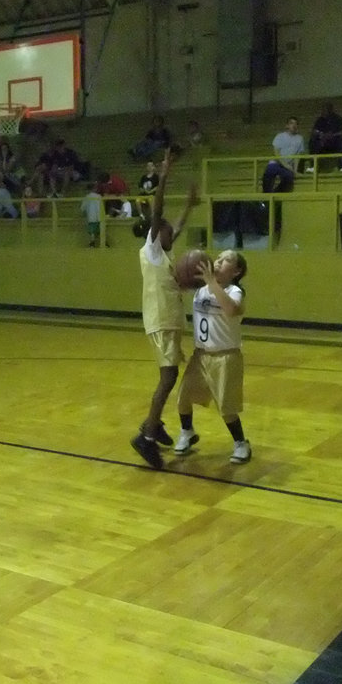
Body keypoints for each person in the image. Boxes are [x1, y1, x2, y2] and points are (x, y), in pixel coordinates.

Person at [130, 154, 200, 469]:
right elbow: (158, 212)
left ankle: (153, 425)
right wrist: (164, 177)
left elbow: (178, 225)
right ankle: (146, 434)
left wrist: (189, 206)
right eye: (168, 231)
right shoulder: (152, 249)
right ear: (158, 233)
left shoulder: (166, 256)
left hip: (169, 322)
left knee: (169, 376)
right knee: (168, 377)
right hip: (159, 322)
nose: (173, 235)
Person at [173, 250, 251, 463]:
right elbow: (175, 285)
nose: (218, 262)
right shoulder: (201, 289)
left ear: (236, 271)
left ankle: (241, 443)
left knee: (227, 408)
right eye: (217, 258)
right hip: (201, 356)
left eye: (226, 260)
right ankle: (187, 432)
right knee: (183, 398)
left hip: (226, 357)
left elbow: (231, 309)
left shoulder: (235, 291)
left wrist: (211, 282)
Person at [261, 117, 305, 193]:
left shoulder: (300, 139)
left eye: (296, 123)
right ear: (287, 126)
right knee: (269, 172)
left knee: (289, 177)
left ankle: (275, 194)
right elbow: (277, 154)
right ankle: (266, 195)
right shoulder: (279, 136)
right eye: (291, 123)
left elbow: (297, 156)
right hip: (276, 163)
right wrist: (287, 166)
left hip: (288, 166)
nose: (294, 125)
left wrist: (295, 170)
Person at [308, 102, 342, 171]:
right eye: (323, 109)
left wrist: (333, 135)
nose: (324, 111)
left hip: (335, 141)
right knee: (312, 142)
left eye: (327, 109)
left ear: (331, 109)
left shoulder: (338, 119)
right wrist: (321, 135)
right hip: (323, 142)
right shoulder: (320, 120)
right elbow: (314, 131)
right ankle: (313, 166)